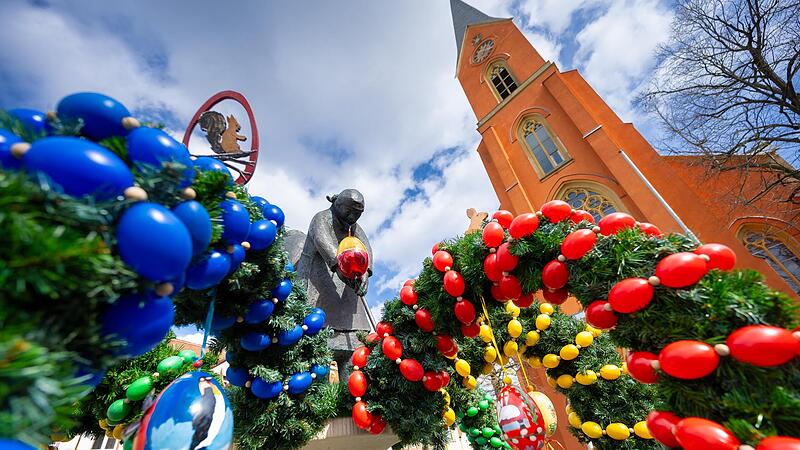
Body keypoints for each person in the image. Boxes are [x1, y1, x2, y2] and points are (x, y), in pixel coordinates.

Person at [294, 189, 373, 377]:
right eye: (350, 212)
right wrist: (340, 266)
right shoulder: (321, 218)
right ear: (337, 205)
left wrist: (366, 273)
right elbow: (324, 243)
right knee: (316, 362)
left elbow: (366, 249)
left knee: (354, 360)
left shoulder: (354, 227)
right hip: (317, 285)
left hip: (347, 297)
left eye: (358, 214)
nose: (353, 217)